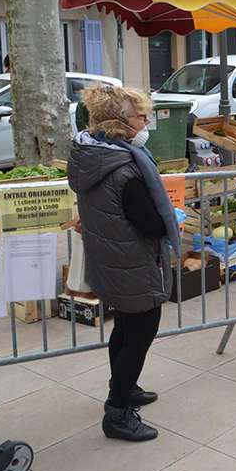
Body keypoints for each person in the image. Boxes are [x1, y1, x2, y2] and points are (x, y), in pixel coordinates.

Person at [67, 85, 181, 442]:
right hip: (131, 261)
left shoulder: (90, 153)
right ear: (118, 123)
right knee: (141, 331)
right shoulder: (124, 169)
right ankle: (117, 412)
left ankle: (125, 387)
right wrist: (170, 219)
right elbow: (148, 223)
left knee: (127, 328)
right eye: (140, 116)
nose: (146, 122)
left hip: (112, 257)